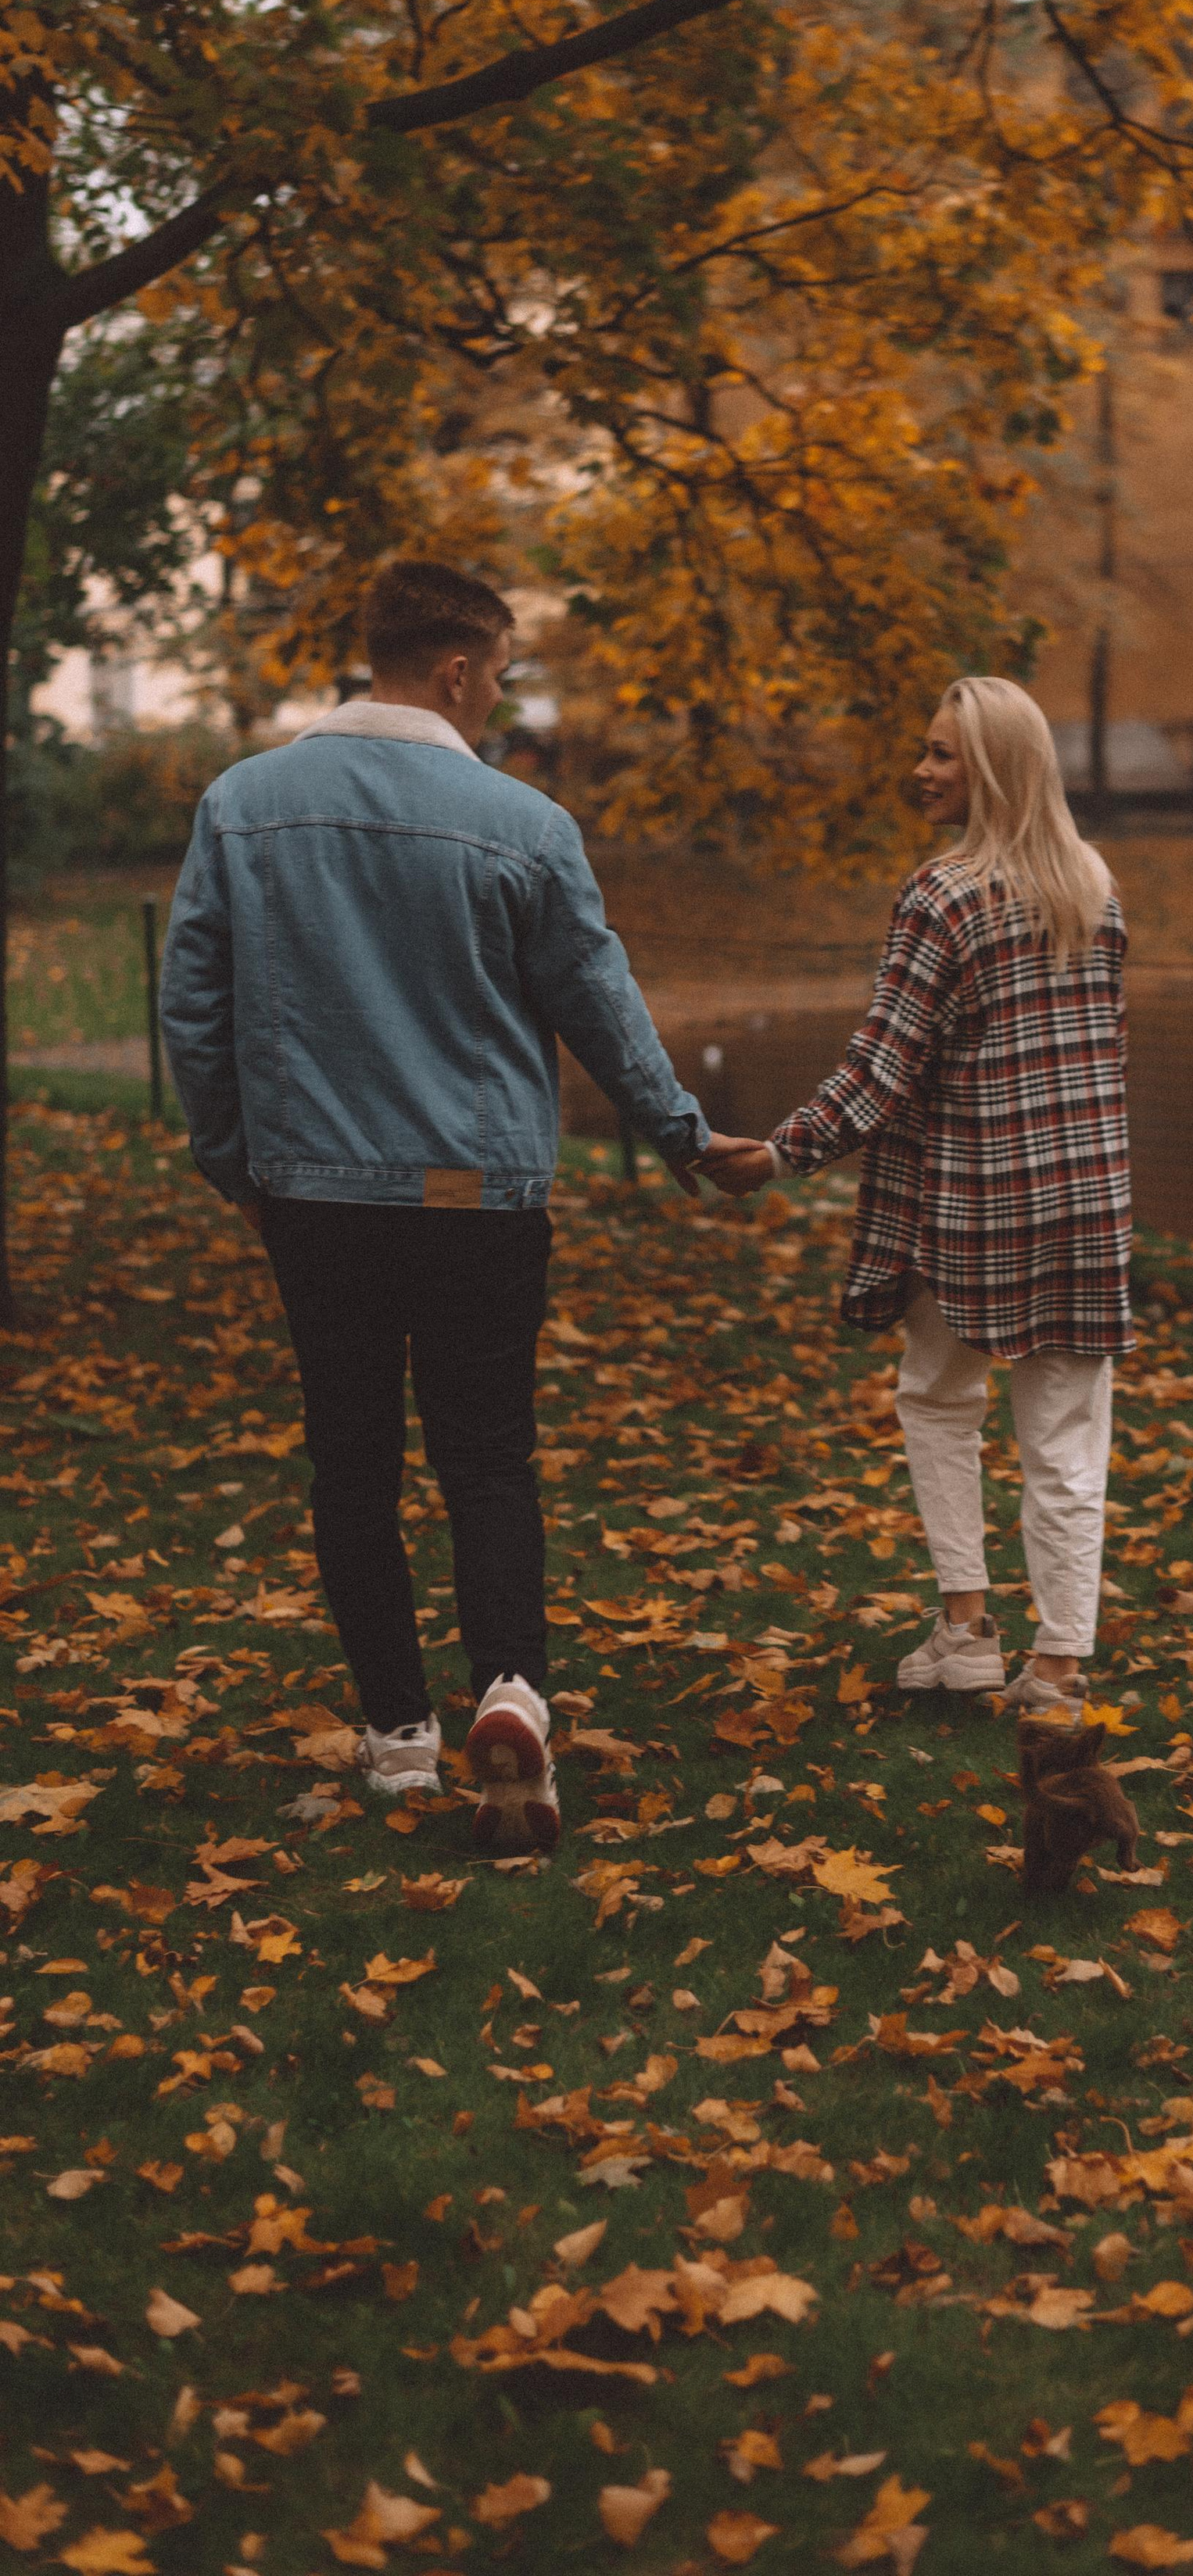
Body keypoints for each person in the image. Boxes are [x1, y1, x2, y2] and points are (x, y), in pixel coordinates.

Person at [160, 560, 764, 1849]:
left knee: (351, 1461)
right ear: (453, 669)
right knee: (487, 1458)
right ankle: (510, 1692)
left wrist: (239, 1168)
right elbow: (595, 1001)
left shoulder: (242, 805)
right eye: (497, 674)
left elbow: (192, 1009)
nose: (498, 696)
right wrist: (683, 1132)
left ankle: (396, 1734)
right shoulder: (523, 822)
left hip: (317, 1195)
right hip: (479, 1195)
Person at [704, 677, 1130, 1719]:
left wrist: (780, 1155)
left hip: (977, 1203)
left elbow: (881, 1069)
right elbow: (1103, 1047)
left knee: (939, 1398)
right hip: (1086, 1199)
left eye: (942, 754)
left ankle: (967, 1629)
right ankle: (1058, 1671)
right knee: (1066, 1439)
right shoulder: (1092, 881)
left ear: (992, 769)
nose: (921, 770)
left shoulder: (943, 894)